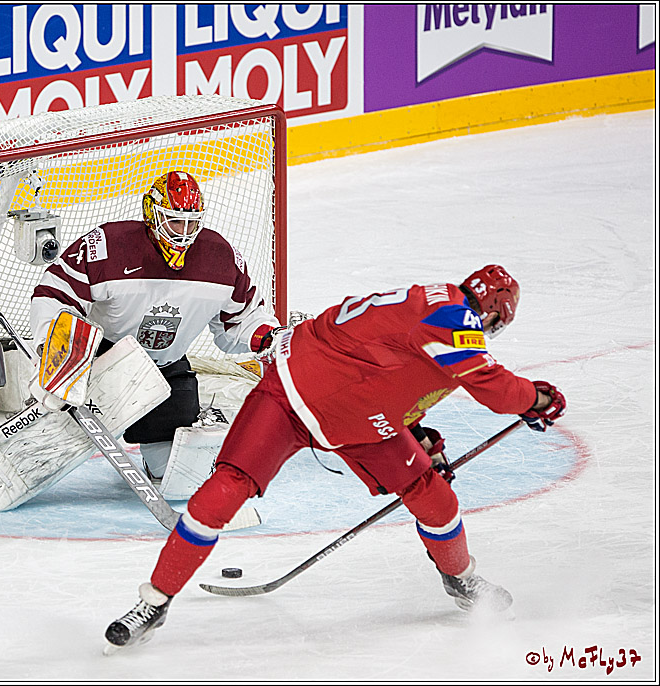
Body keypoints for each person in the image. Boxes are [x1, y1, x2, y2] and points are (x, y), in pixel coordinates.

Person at [104, 265, 567, 650]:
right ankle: (157, 599)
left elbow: (380, 365)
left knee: (434, 496)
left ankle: (461, 578)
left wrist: (414, 429)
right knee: (222, 493)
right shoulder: (455, 318)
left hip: (343, 407)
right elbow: (496, 388)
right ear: (493, 315)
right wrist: (537, 399)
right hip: (294, 399)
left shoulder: (427, 300)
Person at [28, 170, 282, 486]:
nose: (184, 233)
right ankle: (36, 428)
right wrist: (55, 350)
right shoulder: (108, 246)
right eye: (175, 221)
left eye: (192, 222)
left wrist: (270, 337)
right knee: (42, 448)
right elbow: (55, 294)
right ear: (152, 213)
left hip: (166, 370)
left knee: (173, 477)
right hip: (100, 364)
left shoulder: (221, 258)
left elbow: (242, 320)